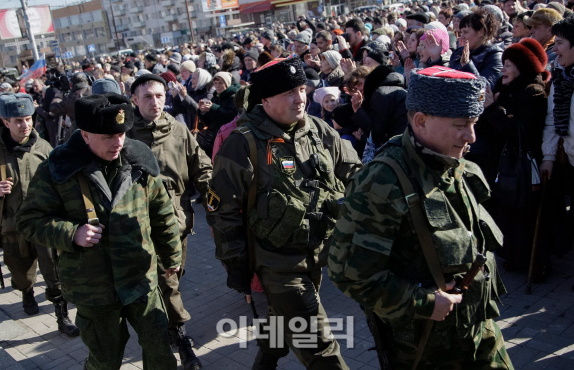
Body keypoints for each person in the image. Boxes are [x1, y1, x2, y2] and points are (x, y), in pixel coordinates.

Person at [329, 66, 514, 370]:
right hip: (426, 349)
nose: (471, 135)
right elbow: (350, 274)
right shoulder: (384, 181)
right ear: (420, 122)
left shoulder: (453, 163)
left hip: (479, 332)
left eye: (474, 123)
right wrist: (423, 301)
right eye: (460, 124)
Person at [206, 57, 361, 370]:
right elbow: (223, 212)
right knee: (319, 346)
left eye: (301, 89)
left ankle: (264, 363)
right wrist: (235, 263)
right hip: (276, 262)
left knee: (282, 318)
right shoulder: (243, 144)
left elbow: (354, 177)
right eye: (289, 93)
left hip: (319, 254)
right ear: (265, 101)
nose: (300, 98)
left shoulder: (320, 131)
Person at [17, 93, 182, 370]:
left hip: (140, 280)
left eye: (121, 134)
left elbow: (162, 214)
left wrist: (171, 257)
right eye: (107, 137)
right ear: (84, 135)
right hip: (93, 289)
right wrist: (71, 233)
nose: (117, 143)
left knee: (160, 354)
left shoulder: (139, 162)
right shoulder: (58, 170)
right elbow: (29, 220)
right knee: (105, 360)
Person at [127, 74, 211, 370]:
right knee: (166, 280)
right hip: (138, 226)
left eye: (160, 96)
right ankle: (180, 336)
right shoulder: (125, 136)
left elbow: (200, 166)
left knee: (173, 278)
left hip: (177, 222)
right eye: (148, 96)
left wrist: (213, 197)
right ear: (135, 100)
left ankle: (170, 324)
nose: (155, 102)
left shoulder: (178, 130)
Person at [0, 93, 79, 337]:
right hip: (12, 224)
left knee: (53, 271)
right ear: (5, 122)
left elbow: (61, 181)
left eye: (28, 118)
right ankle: (26, 290)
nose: (25, 125)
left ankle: (61, 315)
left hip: (43, 223)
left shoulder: (44, 148)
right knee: (20, 270)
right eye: (18, 121)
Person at [478, 38, 549, 274]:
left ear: (522, 66)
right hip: (504, 165)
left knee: (524, 218)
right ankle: (512, 257)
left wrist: (492, 108)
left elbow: (518, 130)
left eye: (508, 64)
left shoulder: (533, 92)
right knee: (508, 215)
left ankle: (532, 264)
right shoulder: (504, 89)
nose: (503, 69)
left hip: (525, 168)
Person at [540, 15, 574, 262]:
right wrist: (549, 157)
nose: (555, 48)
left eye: (560, 42)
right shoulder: (560, 79)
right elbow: (552, 120)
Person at [450, 8, 504, 88]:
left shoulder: (495, 56)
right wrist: (435, 58)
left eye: (465, 32)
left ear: (481, 32)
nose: (461, 37)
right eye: (461, 32)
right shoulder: (458, 53)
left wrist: (467, 65)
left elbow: (486, 87)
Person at [197, 72, 239, 157]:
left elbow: (231, 116)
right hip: (215, 136)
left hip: (228, 137)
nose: (217, 86)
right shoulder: (216, 97)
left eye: (220, 83)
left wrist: (213, 108)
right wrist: (203, 111)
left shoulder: (233, 97)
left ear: (227, 83)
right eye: (215, 83)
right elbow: (209, 121)